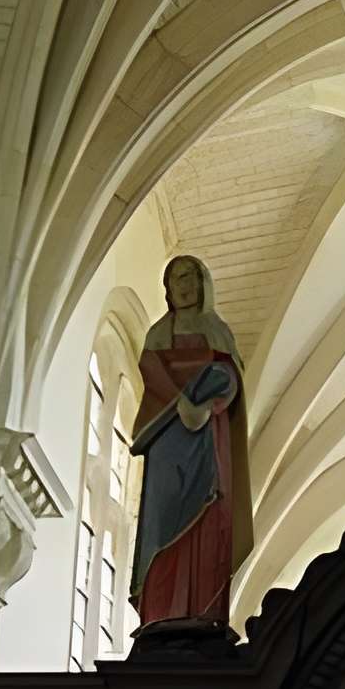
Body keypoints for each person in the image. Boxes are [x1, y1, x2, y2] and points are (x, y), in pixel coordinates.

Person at [129, 252, 252, 630]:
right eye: (175, 278)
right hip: (168, 437)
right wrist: (182, 402)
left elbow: (230, 378)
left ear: (203, 284)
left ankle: (202, 611)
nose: (183, 286)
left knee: (208, 515)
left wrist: (211, 404)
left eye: (189, 277)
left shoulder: (218, 331)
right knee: (164, 519)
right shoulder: (158, 334)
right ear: (166, 288)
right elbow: (152, 371)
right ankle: (162, 611)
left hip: (207, 436)